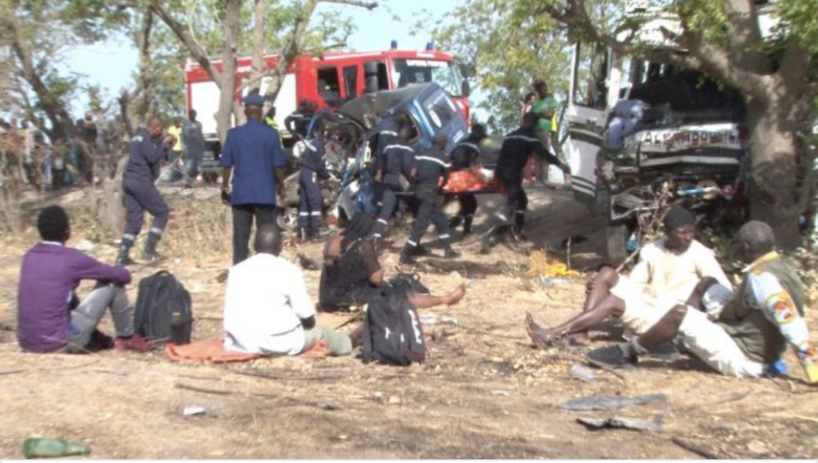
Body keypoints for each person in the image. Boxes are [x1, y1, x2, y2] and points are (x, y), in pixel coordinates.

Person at [585, 221, 818, 383]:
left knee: (680, 313)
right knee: (709, 283)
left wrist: (811, 366)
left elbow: (789, 320)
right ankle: (678, 336)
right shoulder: (781, 267)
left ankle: (628, 352)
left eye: (737, 243)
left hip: (747, 358)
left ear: (745, 247)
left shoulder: (762, 279)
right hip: (754, 341)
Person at [526, 205, 732, 346]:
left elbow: (721, 290)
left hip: (671, 315)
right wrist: (603, 287)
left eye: (691, 232)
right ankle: (581, 333)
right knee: (606, 273)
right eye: (682, 232)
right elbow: (636, 283)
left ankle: (553, 334)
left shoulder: (700, 253)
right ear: (668, 231)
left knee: (612, 302)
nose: (688, 237)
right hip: (650, 302)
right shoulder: (652, 249)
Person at [17, 206, 153, 354]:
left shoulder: (29, 256)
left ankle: (95, 337)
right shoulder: (70, 258)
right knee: (113, 283)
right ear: (67, 231)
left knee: (65, 291)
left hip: (27, 343)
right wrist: (122, 268)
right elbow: (122, 276)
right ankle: (127, 337)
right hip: (59, 343)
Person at [223, 224, 352, 356]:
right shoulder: (288, 270)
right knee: (323, 332)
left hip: (241, 343)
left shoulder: (236, 271)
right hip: (278, 343)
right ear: (280, 247)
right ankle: (350, 343)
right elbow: (307, 318)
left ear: (254, 245)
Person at [319, 213, 468, 311]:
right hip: (349, 297)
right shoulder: (363, 244)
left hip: (326, 297)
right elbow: (376, 279)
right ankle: (445, 299)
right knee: (402, 296)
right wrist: (380, 266)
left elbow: (336, 269)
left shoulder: (332, 241)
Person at [480, 112, 571, 254]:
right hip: (512, 174)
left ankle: (518, 229)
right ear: (534, 124)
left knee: (522, 200)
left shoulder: (510, 135)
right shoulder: (530, 137)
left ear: (523, 121)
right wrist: (561, 165)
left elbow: (502, 155)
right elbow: (544, 154)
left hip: (501, 172)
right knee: (510, 205)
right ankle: (489, 232)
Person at [221, 94, 287, 265]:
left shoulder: (233, 135)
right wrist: (281, 185)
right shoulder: (271, 134)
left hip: (241, 194)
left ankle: (238, 269)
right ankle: (266, 269)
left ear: (245, 110)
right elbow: (278, 165)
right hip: (264, 194)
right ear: (261, 110)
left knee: (240, 239)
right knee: (266, 236)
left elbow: (226, 165)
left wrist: (225, 187)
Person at [116, 116, 175, 265]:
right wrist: (164, 144)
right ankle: (149, 249)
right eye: (160, 128)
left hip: (128, 180)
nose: (161, 132)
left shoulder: (136, 137)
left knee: (134, 217)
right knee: (161, 212)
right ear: (154, 127)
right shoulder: (145, 138)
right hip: (140, 180)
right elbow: (152, 157)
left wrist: (163, 146)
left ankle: (123, 253)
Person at [400, 132, 460, 265]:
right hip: (429, 194)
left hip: (417, 192)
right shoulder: (443, 158)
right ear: (442, 143)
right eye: (445, 142)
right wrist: (438, 187)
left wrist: (418, 182)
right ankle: (405, 255)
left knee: (440, 220)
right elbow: (446, 180)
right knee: (421, 225)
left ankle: (448, 250)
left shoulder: (421, 153)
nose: (446, 145)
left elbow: (412, 173)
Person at [372, 122, 415, 250]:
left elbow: (381, 163)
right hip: (399, 180)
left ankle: (376, 237)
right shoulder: (407, 148)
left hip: (388, 180)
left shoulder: (388, 146)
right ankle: (402, 226)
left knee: (386, 210)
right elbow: (407, 167)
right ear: (408, 135)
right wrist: (412, 180)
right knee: (412, 199)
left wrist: (382, 174)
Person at [447, 123, 487, 236]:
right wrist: (481, 175)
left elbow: (451, 157)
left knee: (466, 203)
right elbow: (472, 164)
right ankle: (466, 230)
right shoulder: (474, 145)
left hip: (453, 176)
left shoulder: (461, 143)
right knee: (472, 203)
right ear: (478, 135)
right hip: (463, 177)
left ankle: (455, 222)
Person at [298, 122, 330, 242]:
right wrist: (327, 176)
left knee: (304, 203)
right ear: (323, 132)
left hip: (303, 172)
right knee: (315, 202)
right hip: (311, 174)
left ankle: (303, 232)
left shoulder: (312, 143)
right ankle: (315, 234)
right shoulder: (320, 146)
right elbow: (320, 166)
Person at [531, 78, 561, 185]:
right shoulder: (535, 104)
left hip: (546, 131)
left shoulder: (551, 100)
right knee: (537, 156)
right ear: (538, 91)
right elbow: (532, 118)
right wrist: (542, 113)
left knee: (545, 155)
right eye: (540, 89)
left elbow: (550, 114)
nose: (543, 91)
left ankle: (545, 178)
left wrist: (539, 114)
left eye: (544, 88)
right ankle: (538, 179)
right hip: (536, 131)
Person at [181, 109, 206, 187]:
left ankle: (198, 181)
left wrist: (202, 145)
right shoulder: (186, 125)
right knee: (189, 165)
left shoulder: (198, 124)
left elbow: (200, 135)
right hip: (189, 148)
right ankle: (186, 181)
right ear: (189, 115)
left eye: (194, 114)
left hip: (198, 148)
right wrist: (184, 149)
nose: (193, 116)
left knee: (199, 166)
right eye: (191, 114)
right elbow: (183, 137)